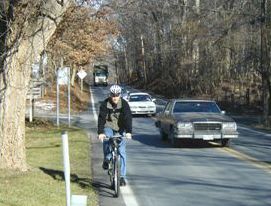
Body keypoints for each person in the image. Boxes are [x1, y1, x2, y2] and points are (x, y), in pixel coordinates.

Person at [97, 84, 132, 186]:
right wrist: (100, 133)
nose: (115, 97)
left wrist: (129, 131)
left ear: (120, 95)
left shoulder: (124, 104)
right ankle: (107, 159)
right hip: (109, 126)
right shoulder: (105, 104)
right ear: (110, 95)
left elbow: (128, 118)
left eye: (117, 95)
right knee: (107, 138)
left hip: (121, 128)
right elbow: (101, 118)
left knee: (122, 152)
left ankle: (122, 177)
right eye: (113, 95)